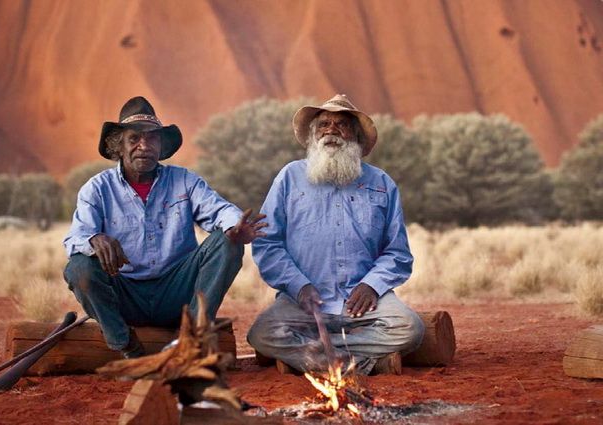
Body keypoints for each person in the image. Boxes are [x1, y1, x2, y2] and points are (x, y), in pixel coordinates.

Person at [63, 96, 266, 358]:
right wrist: (94, 240)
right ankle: (125, 345)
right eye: (134, 138)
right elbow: (74, 240)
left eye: (152, 138)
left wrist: (235, 226)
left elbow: (220, 210)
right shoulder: (97, 189)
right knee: (79, 267)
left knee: (229, 242)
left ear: (161, 145)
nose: (144, 146)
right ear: (119, 146)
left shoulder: (184, 181)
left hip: (178, 294)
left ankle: (191, 337)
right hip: (126, 296)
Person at [247, 94, 424, 375]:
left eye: (341, 124)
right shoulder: (289, 177)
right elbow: (268, 242)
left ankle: (318, 357)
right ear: (312, 135)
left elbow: (397, 252)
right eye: (324, 124)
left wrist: (372, 285)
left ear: (355, 135)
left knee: (410, 328)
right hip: (305, 301)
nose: (331, 130)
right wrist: (298, 285)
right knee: (262, 333)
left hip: (364, 304)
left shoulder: (381, 183)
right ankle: (363, 361)